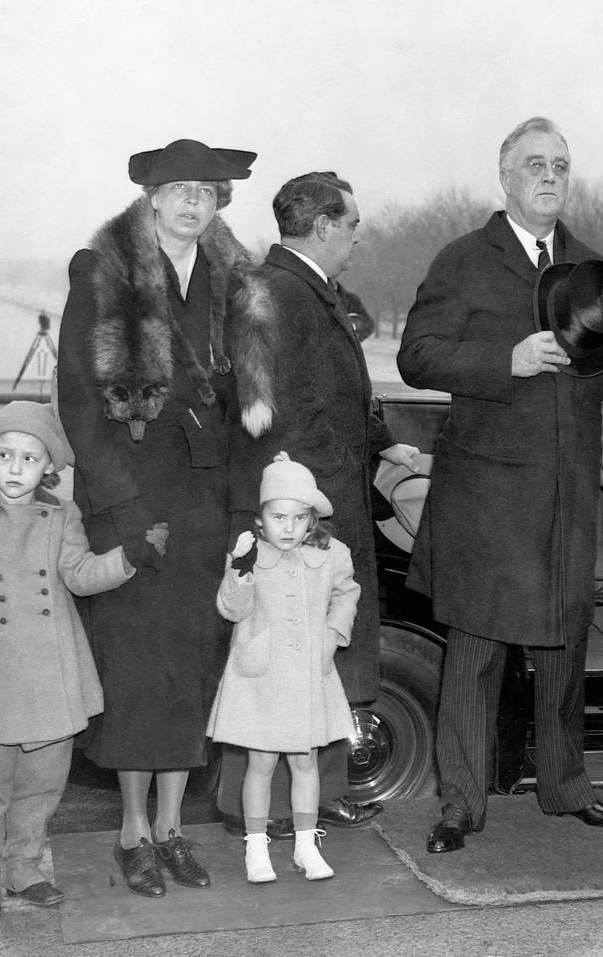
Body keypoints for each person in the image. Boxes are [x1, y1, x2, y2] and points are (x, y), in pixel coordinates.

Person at [398, 116, 603, 854]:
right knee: (477, 651)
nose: (549, 176)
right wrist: (506, 358)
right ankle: (461, 801)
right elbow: (417, 356)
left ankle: (565, 788)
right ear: (506, 177)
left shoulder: (593, 266)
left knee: (562, 644)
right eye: (534, 165)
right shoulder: (464, 259)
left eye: (559, 164)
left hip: (567, 492)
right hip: (487, 498)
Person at [56, 138, 272, 897]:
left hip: (209, 507)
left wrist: (247, 511)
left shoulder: (235, 278)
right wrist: (120, 506)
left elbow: (255, 409)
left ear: (220, 203)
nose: (191, 201)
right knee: (136, 673)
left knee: (191, 669)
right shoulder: (103, 271)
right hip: (137, 502)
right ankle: (131, 832)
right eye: (177, 188)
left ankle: (175, 829)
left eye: (205, 191)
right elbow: (80, 400)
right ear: (150, 198)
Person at [221, 172, 418, 839]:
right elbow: (260, 419)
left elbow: (341, 393)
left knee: (317, 661)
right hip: (300, 514)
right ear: (323, 225)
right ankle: (262, 808)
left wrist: (384, 445)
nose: (358, 237)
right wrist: (287, 512)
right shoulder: (275, 292)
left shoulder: (309, 291)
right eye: (353, 224)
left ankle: (320, 794)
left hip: (325, 505)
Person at [0, 402, 145, 918]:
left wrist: (129, 558)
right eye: (5, 455)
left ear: (47, 468)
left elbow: (78, 574)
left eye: (29, 458)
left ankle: (25, 868)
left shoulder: (61, 515)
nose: (15, 467)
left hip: (54, 674)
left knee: (43, 784)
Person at [209, 453, 360, 884]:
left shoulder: (333, 554)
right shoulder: (248, 554)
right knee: (260, 762)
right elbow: (231, 610)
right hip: (262, 676)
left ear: (312, 520)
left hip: (311, 675)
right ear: (261, 518)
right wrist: (238, 571)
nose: (289, 527)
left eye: (299, 518)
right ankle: (257, 846)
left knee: (305, 761)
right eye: (278, 517)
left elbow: (348, 592)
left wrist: (333, 634)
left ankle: (305, 844)